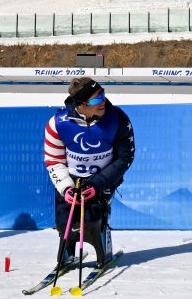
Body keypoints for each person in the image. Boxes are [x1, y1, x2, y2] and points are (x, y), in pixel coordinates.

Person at [43, 77, 135, 267]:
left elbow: (125, 158)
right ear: (81, 105)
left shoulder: (118, 118)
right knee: (64, 220)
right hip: (72, 178)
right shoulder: (57, 123)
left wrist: (97, 184)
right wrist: (66, 188)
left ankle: (103, 252)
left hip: (103, 179)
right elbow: (54, 160)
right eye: (94, 100)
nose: (102, 102)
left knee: (92, 220)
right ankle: (66, 254)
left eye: (102, 95)